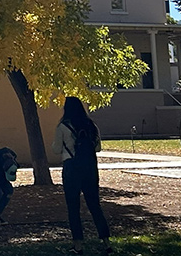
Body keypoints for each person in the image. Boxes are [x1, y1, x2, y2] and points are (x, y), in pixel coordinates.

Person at [53, 96, 112, 255]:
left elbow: (56, 149)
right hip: (90, 167)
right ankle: (106, 242)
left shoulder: (63, 127)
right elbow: (98, 148)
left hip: (71, 167)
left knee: (73, 208)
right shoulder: (91, 125)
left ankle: (78, 245)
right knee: (94, 205)